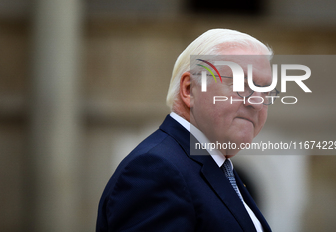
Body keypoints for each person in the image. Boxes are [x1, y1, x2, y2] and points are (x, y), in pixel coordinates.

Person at [96, 29, 275, 232]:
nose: (258, 102)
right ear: (190, 89)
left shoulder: (219, 169)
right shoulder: (155, 170)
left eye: (266, 91)